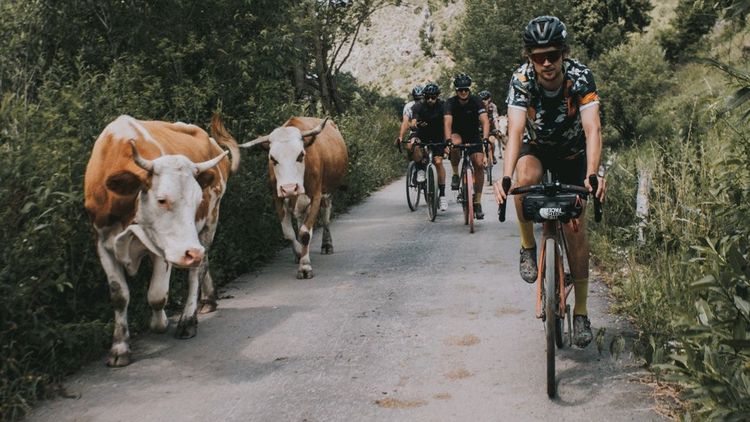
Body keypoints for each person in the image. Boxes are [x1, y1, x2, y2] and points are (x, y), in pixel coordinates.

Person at [493, 15, 606, 348]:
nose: (546, 63)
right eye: (538, 56)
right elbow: (514, 131)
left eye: (553, 55)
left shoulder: (581, 77)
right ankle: (528, 246)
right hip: (538, 149)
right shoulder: (521, 79)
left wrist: (592, 174)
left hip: (574, 154)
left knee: (577, 229)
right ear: (529, 56)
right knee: (522, 178)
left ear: (563, 53)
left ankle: (582, 312)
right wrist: (506, 177)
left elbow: (593, 130)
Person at [444, 73, 490, 219]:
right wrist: (448, 140)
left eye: (466, 90)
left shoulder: (477, 101)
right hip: (457, 133)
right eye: (460, 90)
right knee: (455, 144)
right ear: (456, 91)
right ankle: (456, 174)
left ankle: (477, 202)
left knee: (479, 165)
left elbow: (485, 121)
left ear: (469, 90)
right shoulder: (450, 103)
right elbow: (447, 123)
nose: (463, 92)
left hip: (473, 135)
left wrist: (486, 138)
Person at [410, 83, 449, 211]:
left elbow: (448, 121)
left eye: (433, 97)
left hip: (438, 135)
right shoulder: (418, 106)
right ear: (424, 97)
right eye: (428, 97)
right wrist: (415, 125)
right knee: (415, 144)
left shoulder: (443, 106)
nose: (430, 100)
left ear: (437, 96)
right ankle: (420, 168)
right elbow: (414, 121)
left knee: (438, 162)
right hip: (423, 134)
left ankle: (442, 195)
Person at [397, 85, 424, 149]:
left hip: (428, 129)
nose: (418, 101)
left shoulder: (428, 104)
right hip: (415, 130)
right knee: (409, 147)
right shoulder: (408, 106)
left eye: (420, 98)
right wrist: (401, 136)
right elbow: (405, 122)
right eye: (416, 99)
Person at [478, 90, 499, 164]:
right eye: (482, 99)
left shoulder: (493, 107)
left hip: (491, 129)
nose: (484, 101)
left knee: (492, 141)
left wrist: (497, 129)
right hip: (480, 129)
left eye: (486, 99)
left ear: (489, 99)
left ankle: (492, 156)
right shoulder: (478, 106)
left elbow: (495, 118)